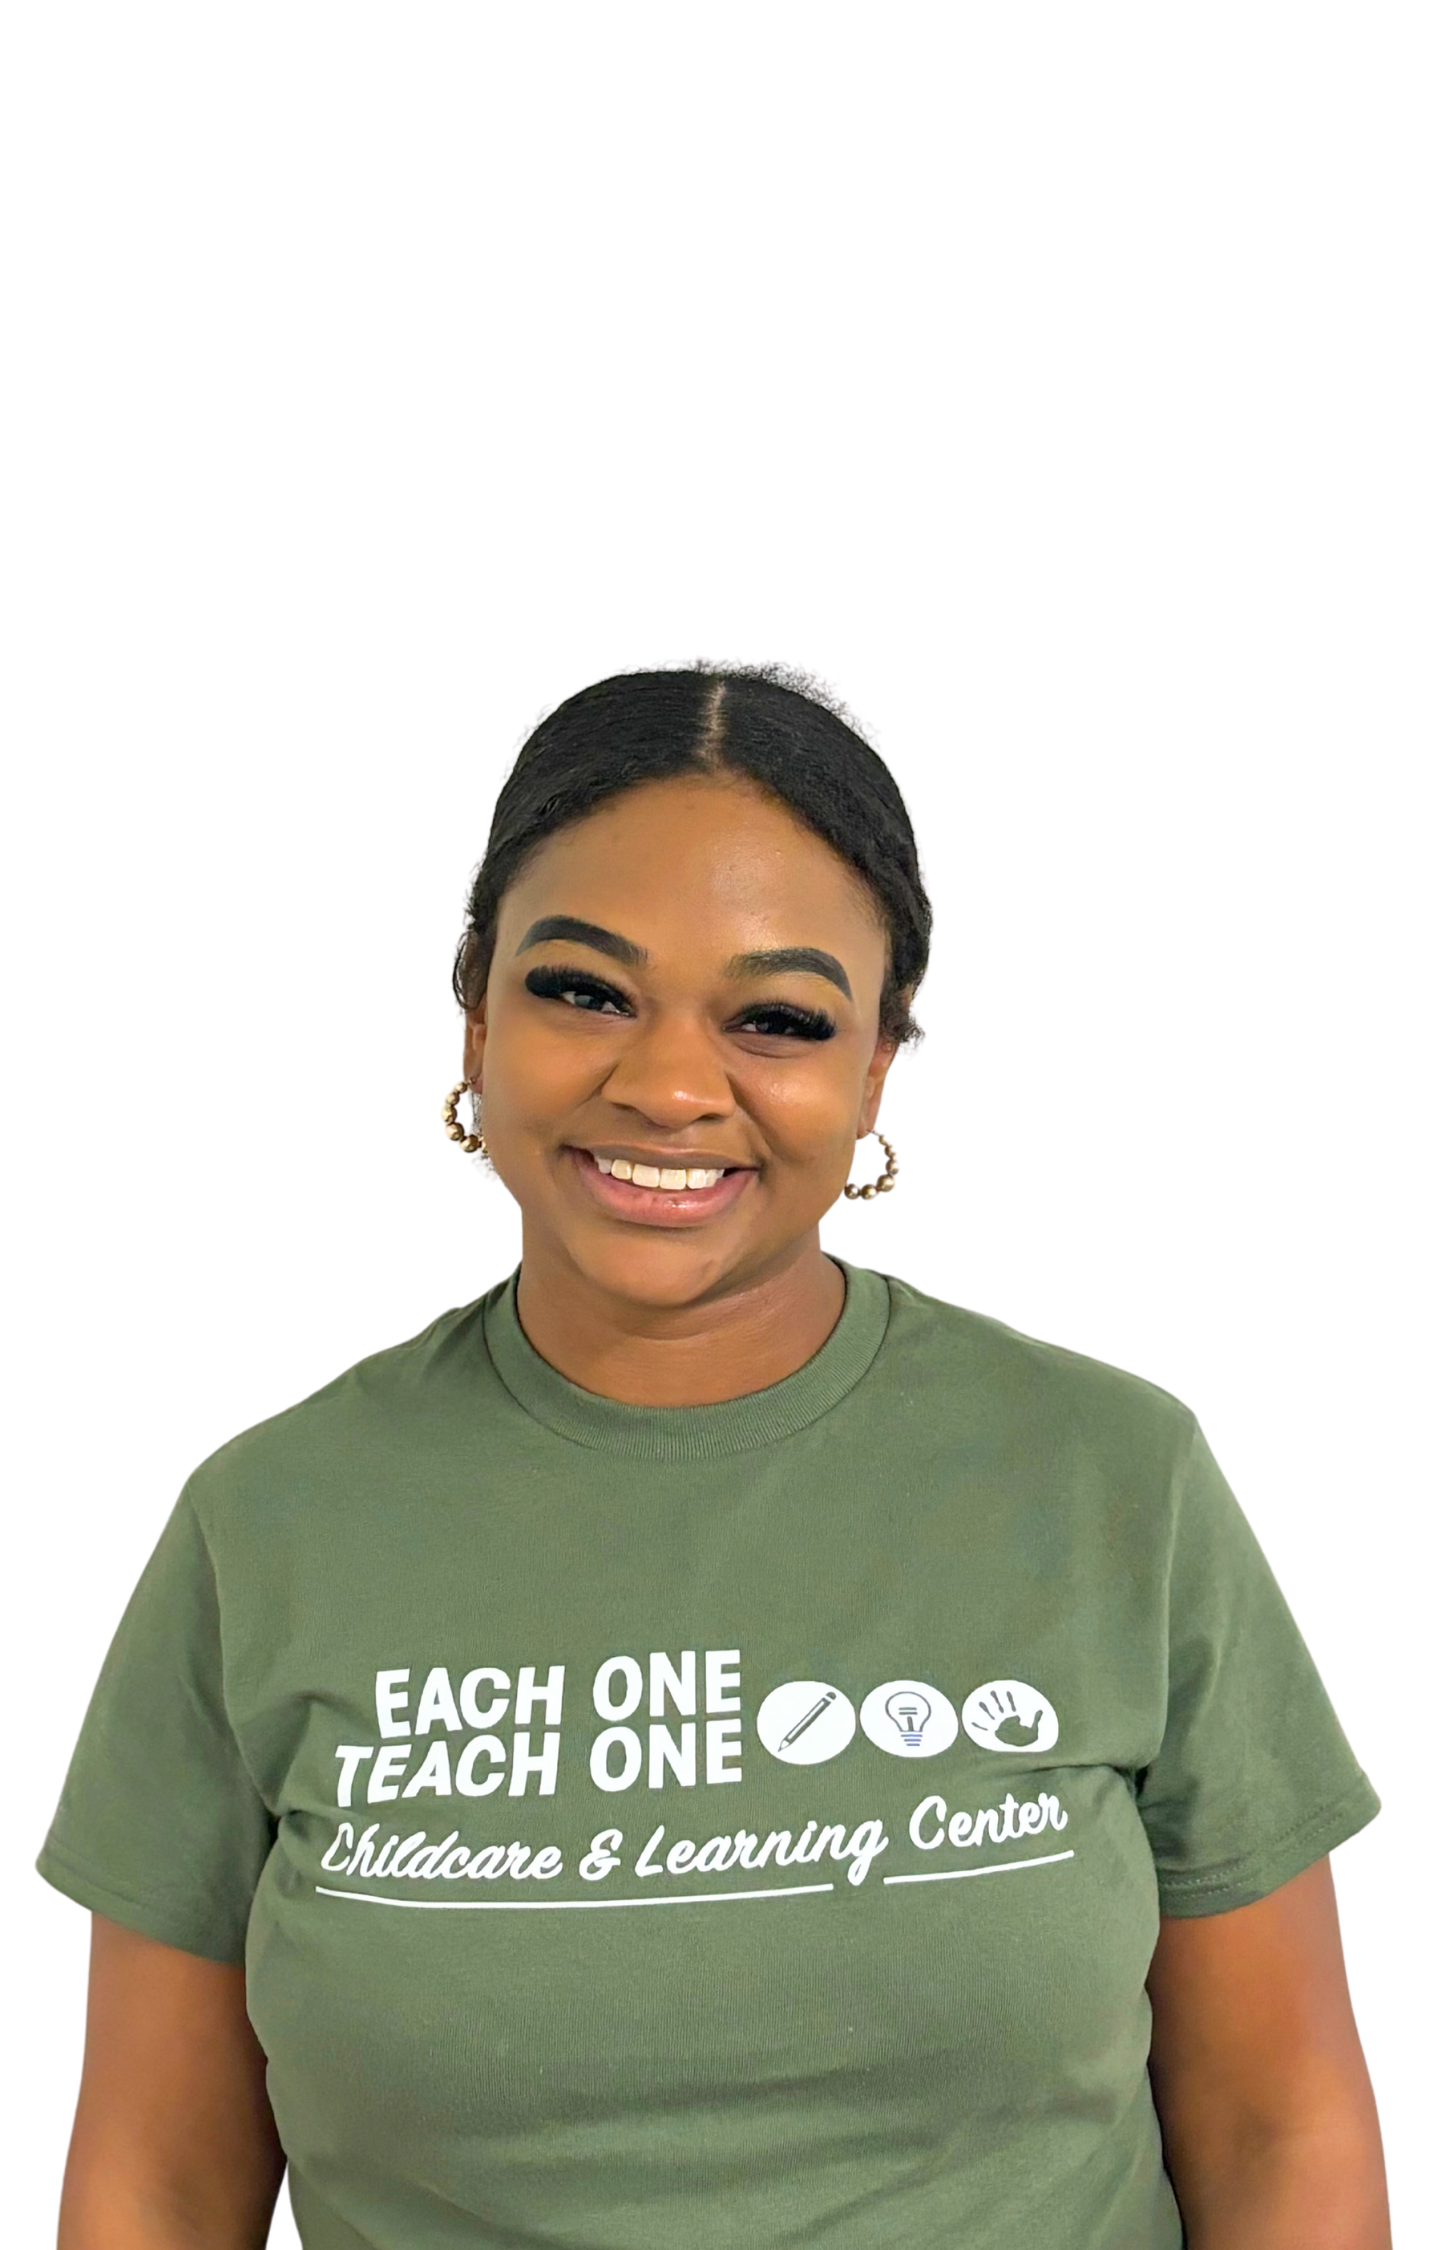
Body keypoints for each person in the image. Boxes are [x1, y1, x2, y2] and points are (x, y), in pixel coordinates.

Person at [40, 666, 1389, 2250]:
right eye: (584, 989)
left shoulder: (1111, 1483)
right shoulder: (265, 1526)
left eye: (780, 1018)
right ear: (474, 1010)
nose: (672, 1085)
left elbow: (1277, 2120)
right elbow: (162, 2182)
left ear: (877, 1066)